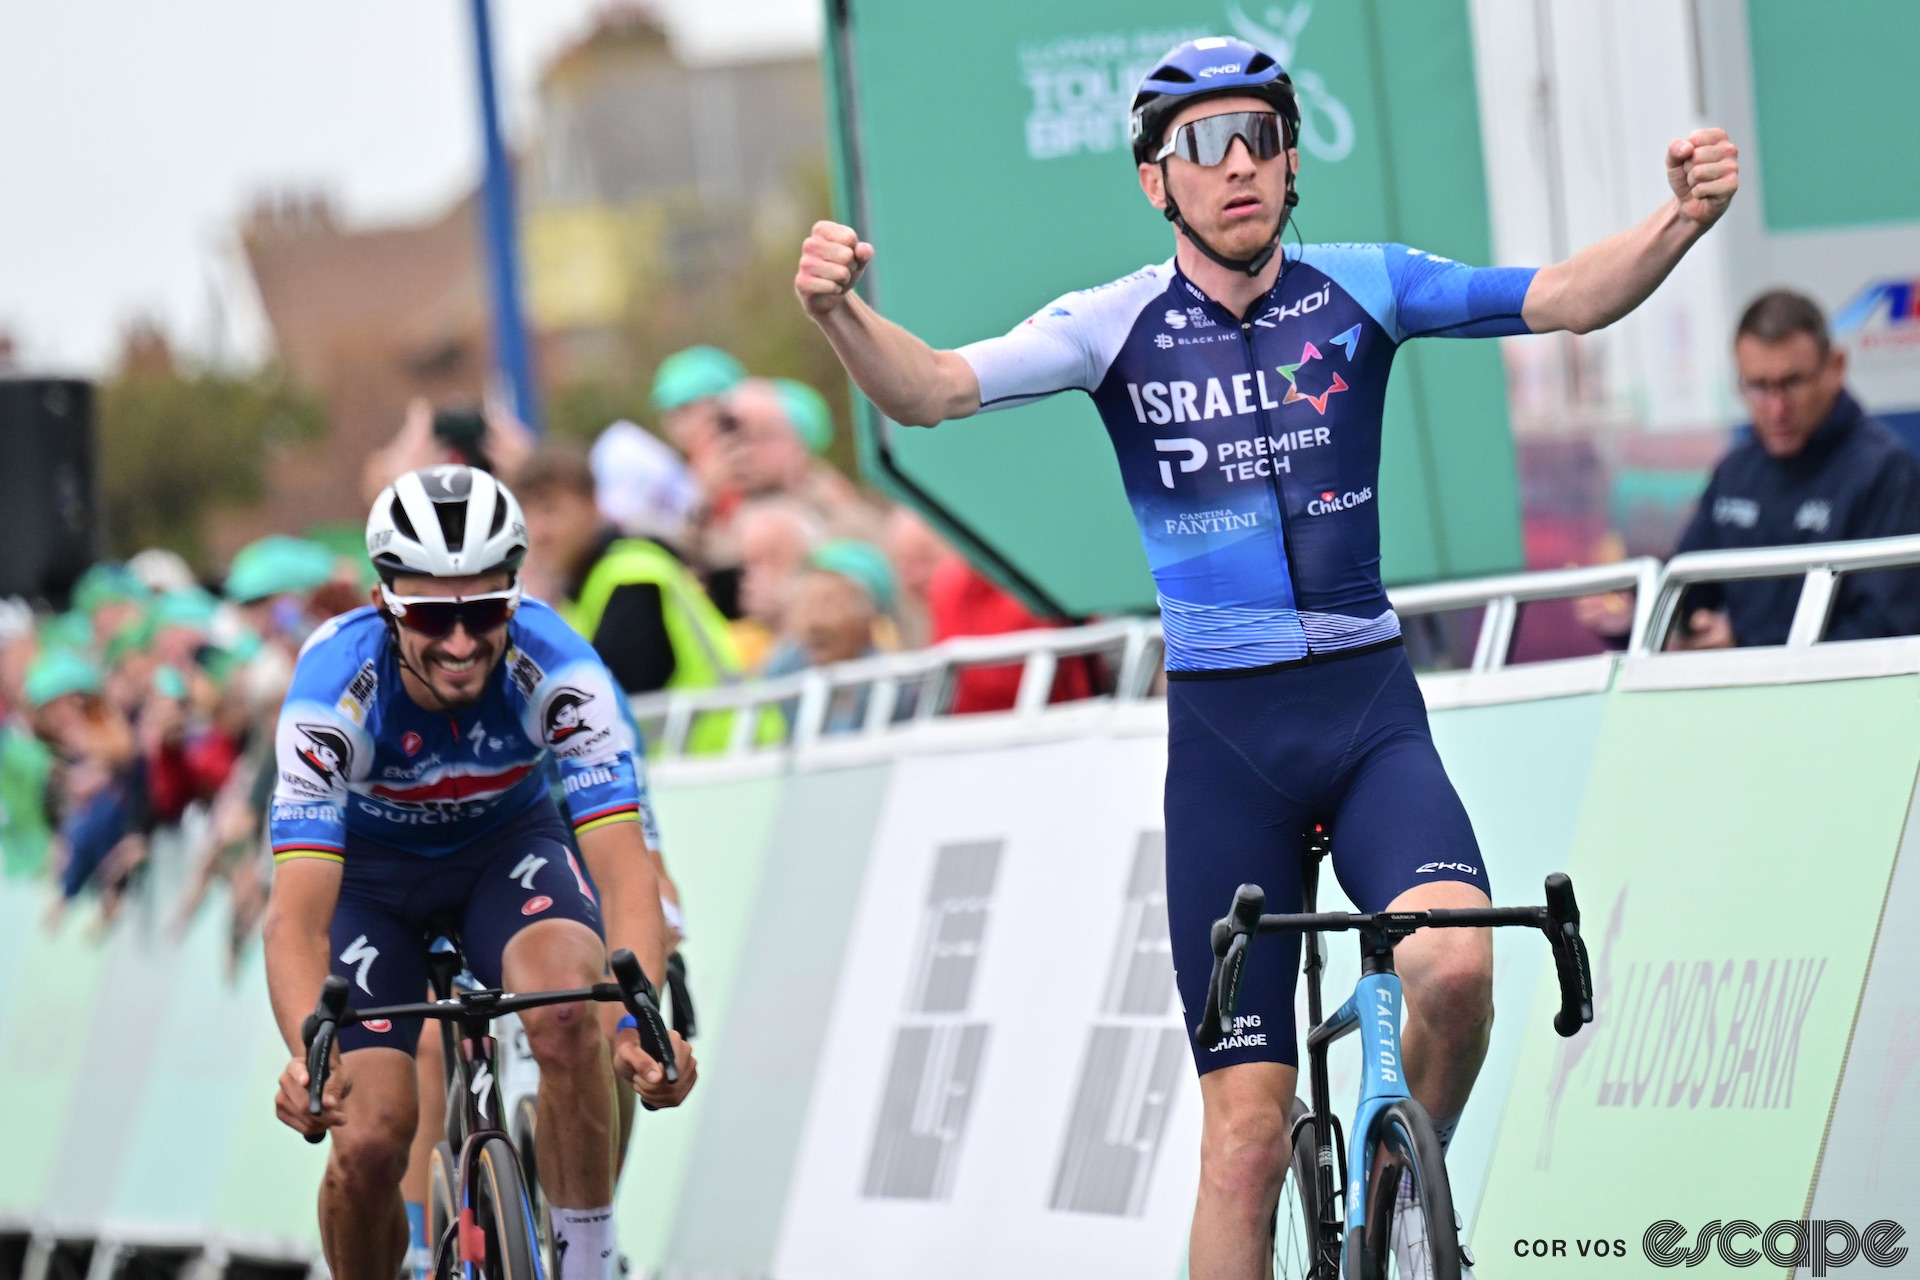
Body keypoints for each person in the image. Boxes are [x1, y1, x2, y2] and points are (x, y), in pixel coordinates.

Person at [793, 35, 1738, 1278]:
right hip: (1231, 746)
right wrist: (838, 311)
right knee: (1242, 1139)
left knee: (1456, 965)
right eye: (1200, 143)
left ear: (1293, 163)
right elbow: (928, 391)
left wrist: (1676, 220)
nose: (1236, 163)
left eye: (1262, 137)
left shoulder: (1367, 287)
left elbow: (1564, 295)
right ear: (1155, 179)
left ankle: (1405, 1203)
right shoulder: (1111, 324)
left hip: (1367, 710)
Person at [262, 464, 695, 1280]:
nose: (461, 644)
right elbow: (296, 920)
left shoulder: (559, 664)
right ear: (386, 601)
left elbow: (623, 870)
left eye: (486, 611)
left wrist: (639, 1025)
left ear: (515, 595)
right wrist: (306, 1060)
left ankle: (590, 1264)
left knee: (572, 1014)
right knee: (369, 1140)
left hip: (507, 852)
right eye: (431, 616)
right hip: (372, 882)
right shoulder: (332, 693)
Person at [1668, 289, 1920, 648]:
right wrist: (1629, 617)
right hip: (1746, 698)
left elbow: (1891, 628)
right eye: (1758, 386)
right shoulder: (1736, 472)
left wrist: (1746, 647)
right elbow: (1687, 593)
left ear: (1836, 369)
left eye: (1792, 383)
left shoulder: (1884, 470)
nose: (1776, 409)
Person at [516, 443, 750, 754]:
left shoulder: (631, 578)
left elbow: (600, 709)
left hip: (728, 766)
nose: (539, 532)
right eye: (527, 516)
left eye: (551, 510)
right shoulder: (585, 593)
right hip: (704, 771)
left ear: (593, 506)